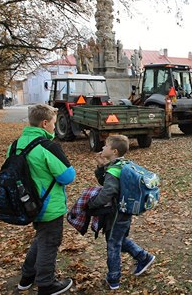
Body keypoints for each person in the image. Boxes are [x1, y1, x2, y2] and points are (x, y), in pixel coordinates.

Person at [15, 104, 76, 294]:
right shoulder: (47, 146)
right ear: (44, 123)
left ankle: (27, 277)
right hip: (48, 204)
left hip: (27, 203)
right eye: (52, 123)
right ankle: (46, 284)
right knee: (49, 243)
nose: (53, 127)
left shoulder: (16, 144)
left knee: (41, 238)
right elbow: (68, 176)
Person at [87, 135, 155, 290]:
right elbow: (106, 182)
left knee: (113, 244)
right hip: (123, 211)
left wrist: (92, 203)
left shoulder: (114, 170)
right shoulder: (120, 164)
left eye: (105, 146)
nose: (102, 148)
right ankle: (144, 257)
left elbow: (107, 192)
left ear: (114, 151)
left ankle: (114, 278)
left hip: (116, 213)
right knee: (118, 239)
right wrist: (101, 166)